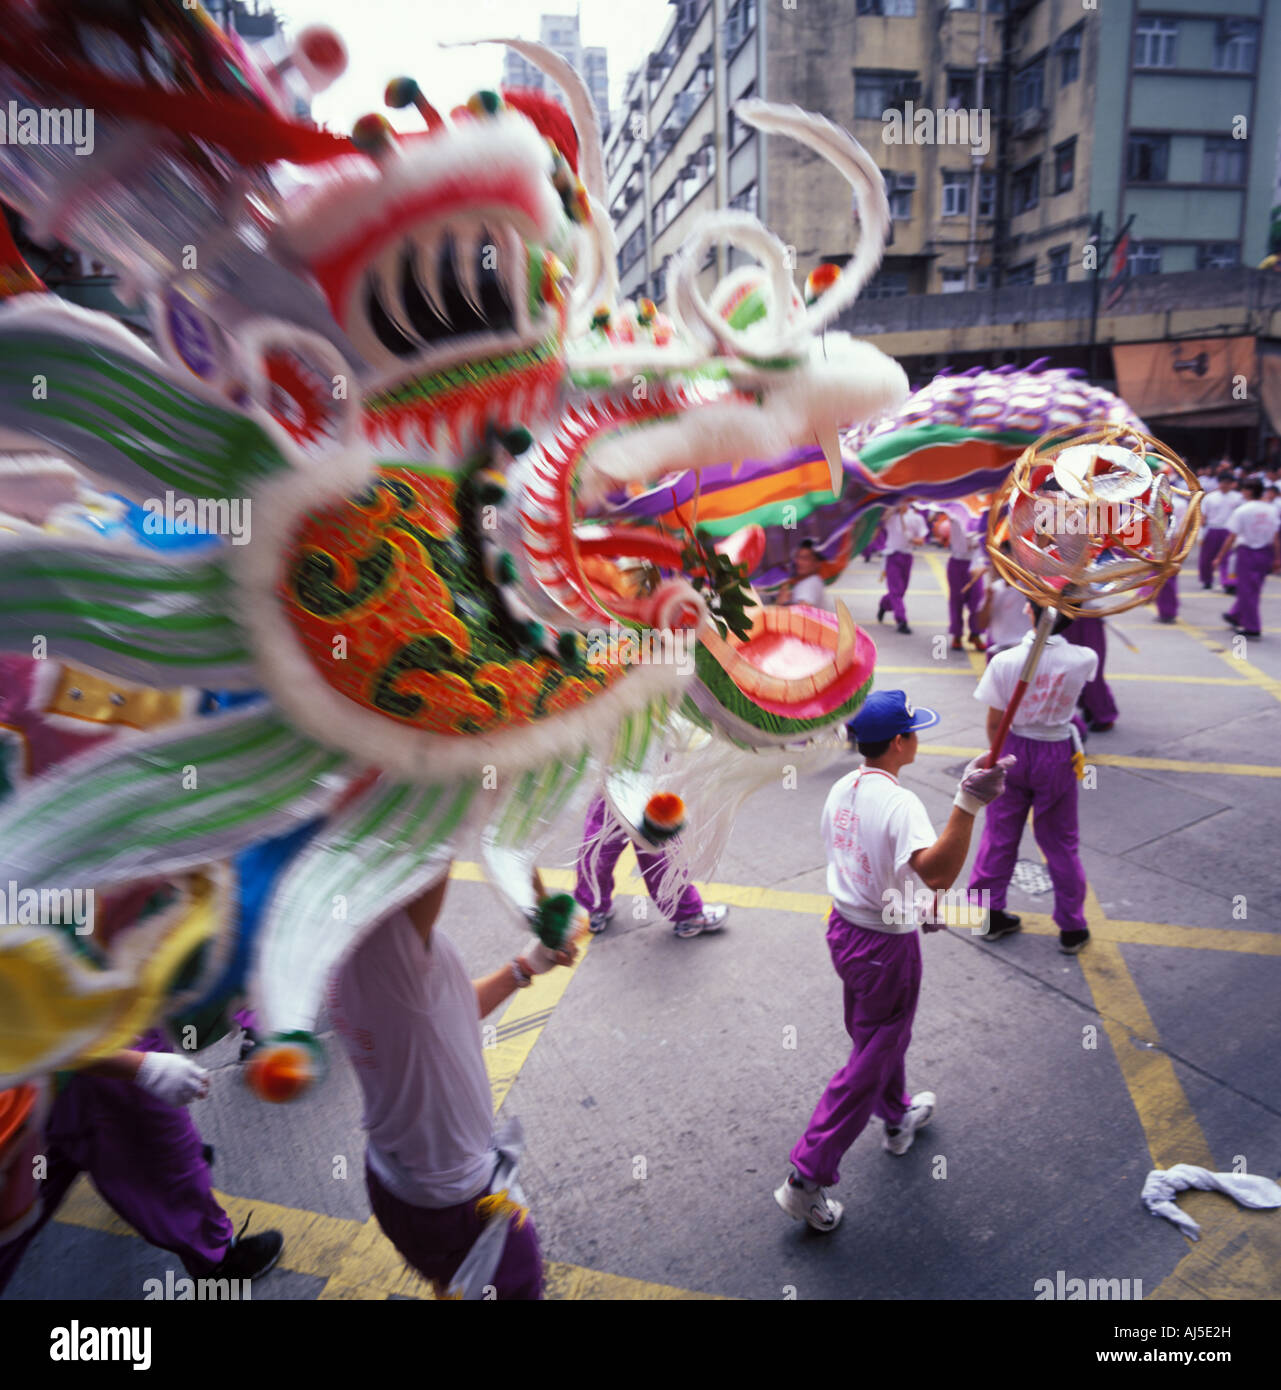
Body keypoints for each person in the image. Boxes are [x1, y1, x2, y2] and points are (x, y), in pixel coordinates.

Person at [773, 691, 1013, 1232]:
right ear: (901, 742)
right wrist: (968, 804)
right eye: (914, 731)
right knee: (873, 1052)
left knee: (878, 1037)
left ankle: (896, 1112)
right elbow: (937, 872)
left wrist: (915, 902)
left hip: (846, 929)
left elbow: (869, 865)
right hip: (884, 947)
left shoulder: (844, 787)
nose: (917, 738)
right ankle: (806, 1177)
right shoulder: (901, 803)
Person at [328, 874, 578, 1300]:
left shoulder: (352, 954)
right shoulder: (389, 947)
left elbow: (447, 1012)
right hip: (457, 1204)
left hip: (400, 1187)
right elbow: (436, 832)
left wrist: (526, 966)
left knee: (454, 1284)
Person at [0, 1031, 282, 1295]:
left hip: (41, 1074)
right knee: (163, 1152)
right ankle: (217, 1260)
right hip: (99, 1046)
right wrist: (141, 1067)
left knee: (38, 1168)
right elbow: (46, 1028)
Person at [968, 606, 1096, 955]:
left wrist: (992, 764)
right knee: (1060, 841)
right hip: (1056, 752)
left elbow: (994, 725)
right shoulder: (1084, 658)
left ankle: (989, 916)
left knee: (998, 835)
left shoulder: (1004, 662)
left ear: (1028, 610)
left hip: (1012, 750)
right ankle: (1072, 927)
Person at [573, 794, 728, 938]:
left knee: (601, 836)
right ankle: (687, 913)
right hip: (646, 776)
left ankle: (591, 906)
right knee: (659, 844)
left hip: (614, 773)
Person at [1216, 479, 1281, 638]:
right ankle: (1236, 614)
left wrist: (1219, 557)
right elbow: (1275, 537)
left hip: (1247, 552)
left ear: (1249, 491)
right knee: (1254, 588)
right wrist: (1277, 558)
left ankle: (1252, 627)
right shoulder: (1271, 510)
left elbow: (1231, 537)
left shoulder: (1243, 510)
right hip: (1266, 552)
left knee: (1247, 590)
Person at [974, 543, 1032, 661]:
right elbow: (981, 624)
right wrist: (988, 602)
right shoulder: (994, 589)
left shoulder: (1028, 587)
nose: (995, 563)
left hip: (1022, 651)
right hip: (998, 652)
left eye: (1002, 557)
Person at [877, 502, 927, 635]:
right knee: (896, 590)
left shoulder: (916, 518)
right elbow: (879, 522)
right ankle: (901, 620)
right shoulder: (890, 517)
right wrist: (892, 509)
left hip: (907, 557)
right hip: (892, 556)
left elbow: (922, 540)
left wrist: (913, 539)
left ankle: (884, 604)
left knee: (901, 591)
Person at [945, 510, 986, 652]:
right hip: (957, 563)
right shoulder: (954, 512)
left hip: (976, 564)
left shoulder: (983, 512)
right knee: (956, 600)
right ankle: (957, 634)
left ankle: (975, 633)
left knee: (977, 601)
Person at [1154, 484, 1190, 624]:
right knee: (1168, 578)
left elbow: (1180, 525)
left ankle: (1168, 611)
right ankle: (1169, 608)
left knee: (1166, 578)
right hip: (1170, 542)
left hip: (1169, 543)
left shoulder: (1172, 503)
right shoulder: (1174, 502)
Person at [1199, 474, 1239, 590]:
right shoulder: (1210, 497)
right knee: (1207, 557)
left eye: (1227, 483)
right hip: (1212, 529)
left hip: (1229, 530)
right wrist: (1200, 532)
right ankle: (1207, 580)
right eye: (1222, 482)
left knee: (1228, 557)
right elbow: (1203, 516)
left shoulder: (1237, 498)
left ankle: (1227, 582)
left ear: (1232, 484)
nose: (1224, 485)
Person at [778, 539, 836, 613]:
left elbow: (804, 612)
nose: (799, 562)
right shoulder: (812, 580)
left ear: (817, 564)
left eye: (805, 559)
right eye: (797, 557)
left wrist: (784, 603)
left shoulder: (810, 583)